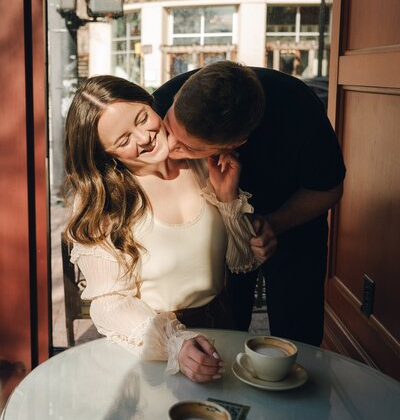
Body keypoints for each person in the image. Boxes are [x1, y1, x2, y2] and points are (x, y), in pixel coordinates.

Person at [64, 75, 260, 383]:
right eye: (123, 140)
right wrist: (173, 342)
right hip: (155, 346)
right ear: (107, 155)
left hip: (225, 327)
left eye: (142, 119)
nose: (143, 138)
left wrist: (227, 200)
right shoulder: (105, 202)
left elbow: (241, 262)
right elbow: (109, 303)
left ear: (150, 103)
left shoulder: (201, 162)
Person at [153, 61, 346, 346]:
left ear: (236, 144)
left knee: (298, 334)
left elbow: (329, 188)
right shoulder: (163, 99)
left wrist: (274, 223)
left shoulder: (298, 110)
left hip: (293, 220)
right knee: (226, 330)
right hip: (217, 222)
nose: (170, 147)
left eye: (189, 148)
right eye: (169, 128)